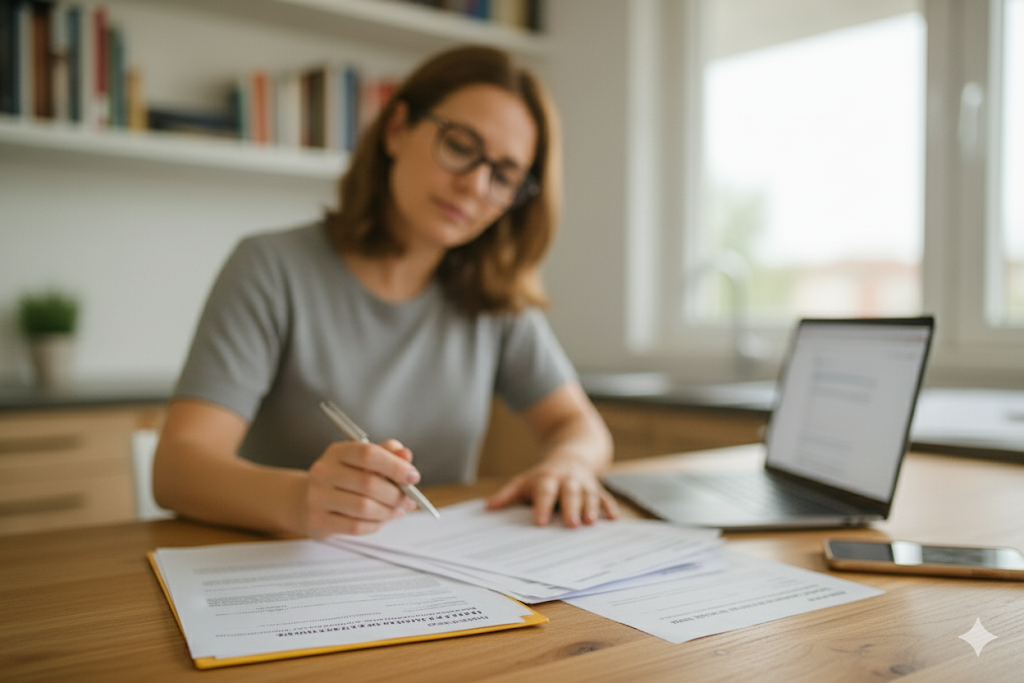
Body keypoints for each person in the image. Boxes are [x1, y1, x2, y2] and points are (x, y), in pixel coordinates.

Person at [153, 45, 619, 539]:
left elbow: (581, 427)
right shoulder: (271, 268)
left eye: (504, 175)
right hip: (283, 564)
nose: (476, 186)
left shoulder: (492, 298)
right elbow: (178, 468)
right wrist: (300, 500)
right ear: (397, 129)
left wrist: (570, 464)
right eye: (460, 146)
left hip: (438, 570)